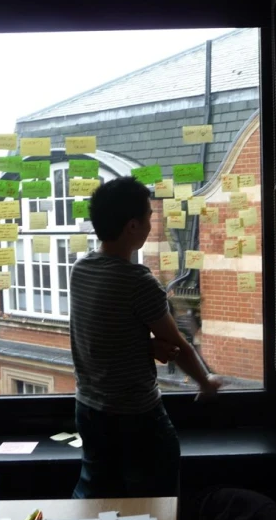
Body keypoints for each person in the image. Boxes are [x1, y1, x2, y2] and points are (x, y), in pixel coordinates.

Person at [69, 176, 221, 499]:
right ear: (132, 227)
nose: (154, 223)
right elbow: (178, 344)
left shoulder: (80, 270)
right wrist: (205, 382)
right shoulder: (138, 281)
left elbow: (101, 335)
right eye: (150, 217)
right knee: (154, 505)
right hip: (134, 417)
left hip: (88, 410)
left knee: (98, 498)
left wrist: (144, 345)